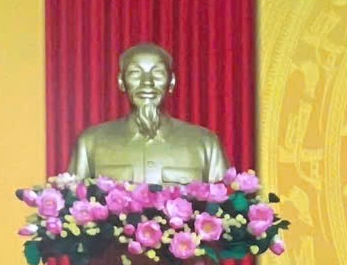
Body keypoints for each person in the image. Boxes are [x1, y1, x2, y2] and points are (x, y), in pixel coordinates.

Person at [67, 42, 229, 183]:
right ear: (121, 82)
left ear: (171, 82)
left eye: (157, 73)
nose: (147, 82)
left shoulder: (205, 143)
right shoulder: (91, 143)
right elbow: (73, 203)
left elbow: (225, 203)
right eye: (135, 73)